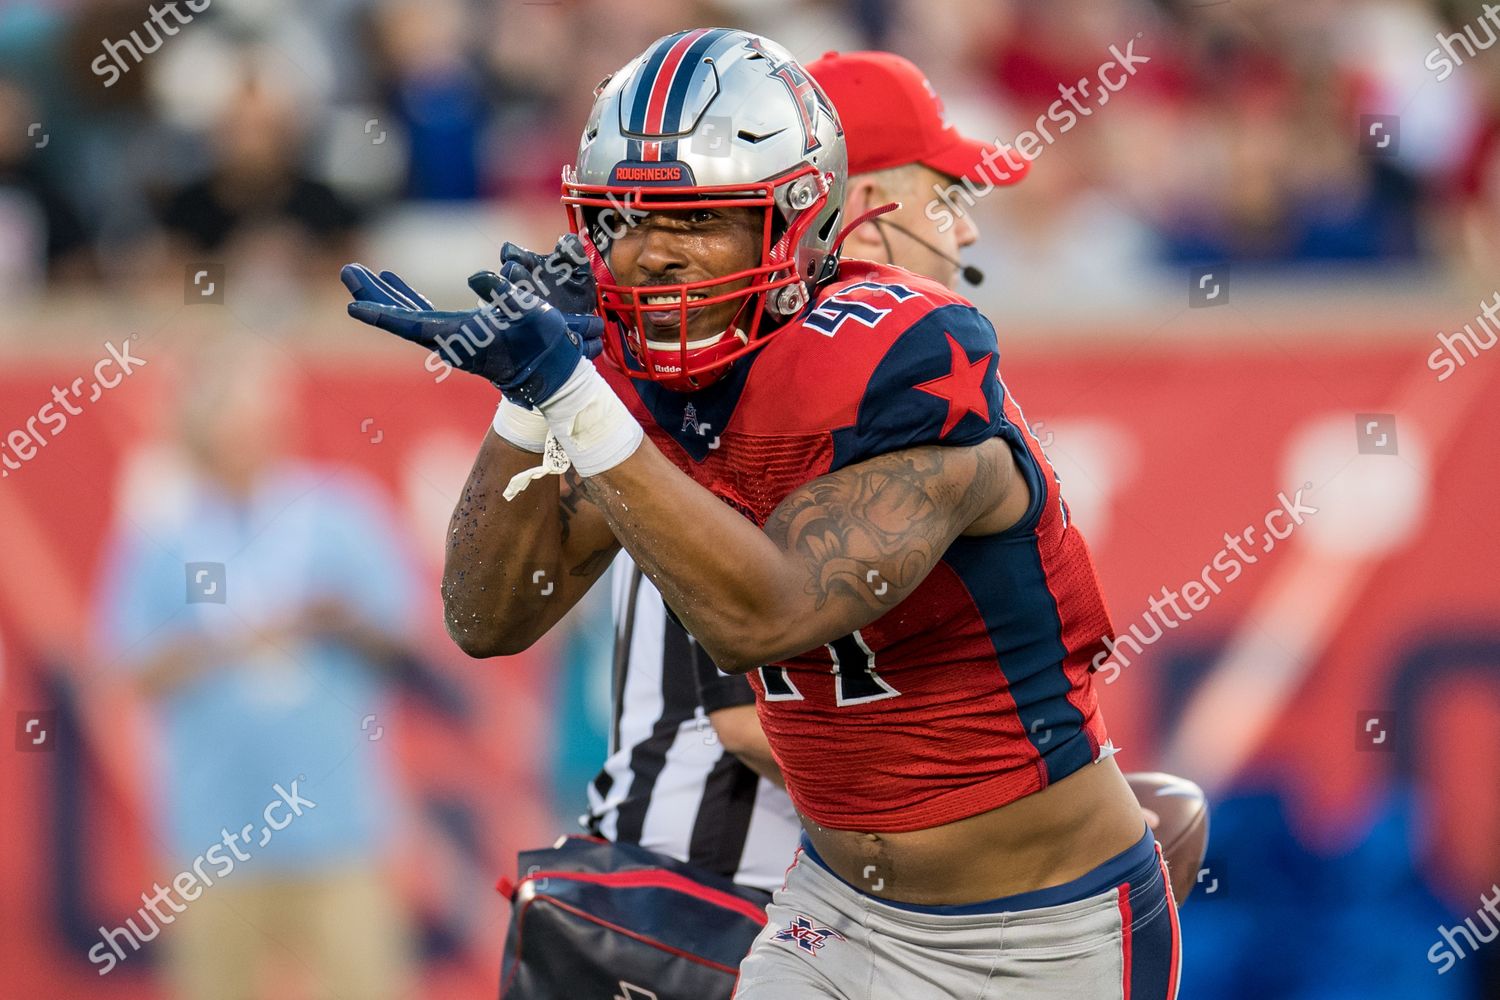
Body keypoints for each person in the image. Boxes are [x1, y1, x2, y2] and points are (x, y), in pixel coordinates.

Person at [344, 27, 1180, 999]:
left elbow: (767, 615)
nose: (652, 254)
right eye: (624, 217)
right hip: (830, 910)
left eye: (695, 219)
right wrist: (524, 400)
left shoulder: (902, 358)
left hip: (1038, 931)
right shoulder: (651, 376)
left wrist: (571, 393)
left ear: (798, 218)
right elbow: (487, 617)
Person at [93, 342, 418, 1000]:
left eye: (257, 417)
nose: (247, 434)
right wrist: (228, 640)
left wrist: (339, 619)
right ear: (195, 433)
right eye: (229, 419)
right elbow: (127, 666)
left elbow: (402, 642)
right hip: (214, 829)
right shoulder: (163, 534)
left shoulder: (338, 512)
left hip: (338, 824)